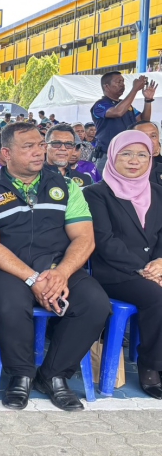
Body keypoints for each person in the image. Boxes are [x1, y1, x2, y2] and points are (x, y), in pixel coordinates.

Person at [0, 122, 111, 412]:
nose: (39, 151)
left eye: (40, 145)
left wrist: (61, 273)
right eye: (28, 146)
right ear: (6, 153)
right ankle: (21, 375)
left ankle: (54, 375)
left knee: (95, 304)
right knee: (9, 304)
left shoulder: (66, 186)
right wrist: (33, 279)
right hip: (7, 270)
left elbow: (84, 238)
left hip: (58, 268)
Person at [81, 130, 162, 398]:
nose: (134, 161)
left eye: (142, 155)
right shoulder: (96, 194)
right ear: (113, 156)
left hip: (154, 269)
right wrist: (144, 269)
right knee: (157, 296)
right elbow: (105, 241)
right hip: (114, 273)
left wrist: (160, 262)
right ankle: (151, 366)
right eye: (126, 154)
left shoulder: (158, 192)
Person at [91, 72, 157, 171]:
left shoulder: (127, 105)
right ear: (107, 86)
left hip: (129, 154)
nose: (122, 85)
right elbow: (117, 112)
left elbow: (144, 121)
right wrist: (135, 89)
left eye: (123, 81)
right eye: (118, 82)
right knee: (106, 181)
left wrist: (148, 100)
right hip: (108, 156)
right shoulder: (100, 105)